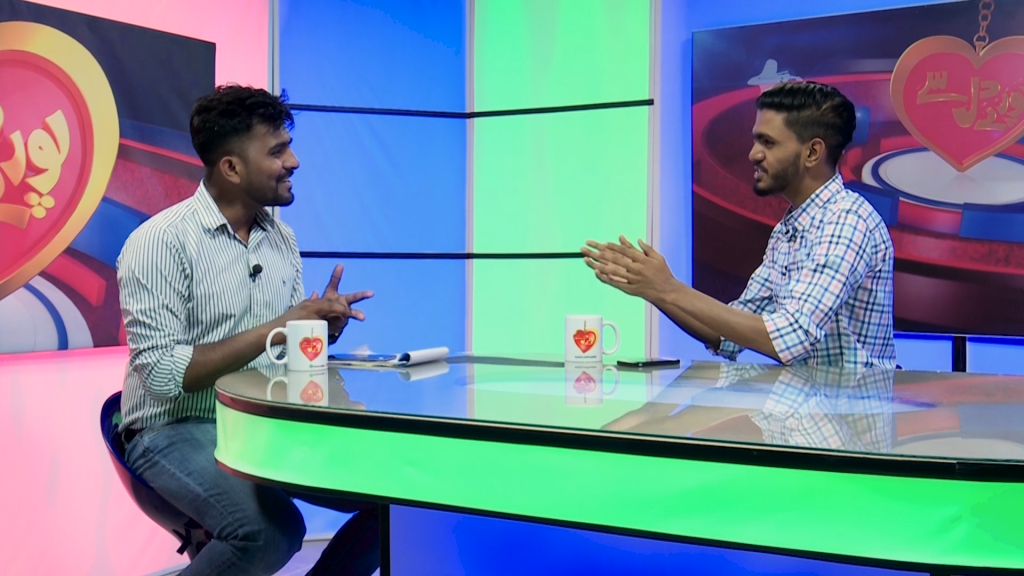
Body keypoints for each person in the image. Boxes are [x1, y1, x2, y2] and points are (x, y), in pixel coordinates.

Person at [117, 84, 378, 575]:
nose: (294, 161)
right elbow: (166, 376)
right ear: (231, 168)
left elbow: (282, 357)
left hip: (259, 425)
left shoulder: (282, 240)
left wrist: (319, 331)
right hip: (171, 429)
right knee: (270, 533)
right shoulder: (159, 242)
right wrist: (280, 326)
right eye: (277, 151)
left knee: (393, 499)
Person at [583, 81, 896, 368]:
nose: (753, 154)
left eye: (768, 143)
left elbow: (791, 337)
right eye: (756, 140)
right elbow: (729, 333)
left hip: (855, 409)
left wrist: (670, 288)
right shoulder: (787, 230)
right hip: (806, 405)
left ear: (812, 152)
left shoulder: (847, 221)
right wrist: (655, 290)